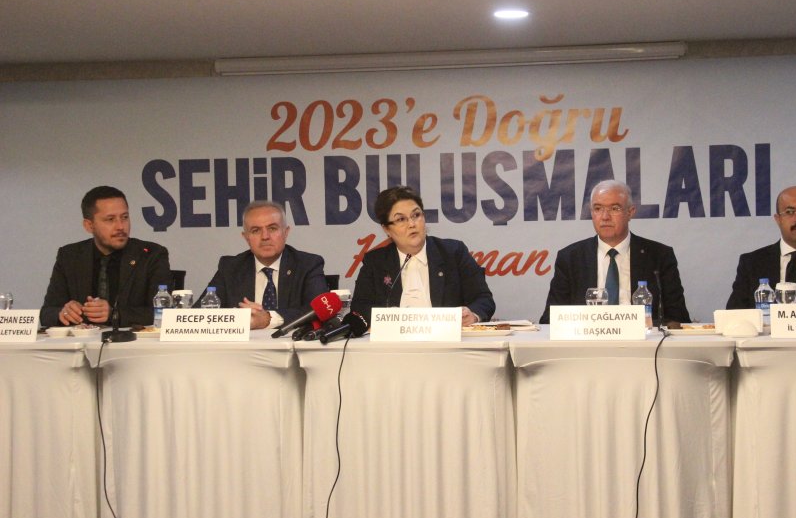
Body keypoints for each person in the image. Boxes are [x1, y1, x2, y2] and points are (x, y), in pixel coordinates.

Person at [540, 180, 691, 325]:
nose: (605, 217)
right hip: (587, 340)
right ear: (591, 213)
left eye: (614, 208)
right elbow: (550, 319)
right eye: (598, 209)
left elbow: (678, 318)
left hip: (643, 340)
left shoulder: (660, 256)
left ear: (630, 212)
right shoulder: (570, 258)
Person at [350, 186, 495, 327]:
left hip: (446, 340)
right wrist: (388, 318)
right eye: (401, 219)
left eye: (416, 215)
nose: (412, 224)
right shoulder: (376, 262)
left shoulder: (453, 252)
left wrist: (473, 314)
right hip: (394, 341)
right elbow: (359, 307)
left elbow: (483, 299)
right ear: (386, 229)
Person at [40, 186, 172, 327]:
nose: (120, 226)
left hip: (132, 340)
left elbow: (164, 312)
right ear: (89, 225)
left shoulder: (151, 255)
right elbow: (47, 313)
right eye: (110, 219)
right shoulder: (69, 256)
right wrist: (63, 313)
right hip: (83, 340)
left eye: (124, 217)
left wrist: (114, 314)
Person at [197, 200, 329, 329]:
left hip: (290, 342)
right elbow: (200, 313)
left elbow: (318, 310)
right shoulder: (230, 267)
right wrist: (236, 318)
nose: (265, 236)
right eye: (256, 230)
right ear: (246, 237)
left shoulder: (308, 265)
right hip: (243, 343)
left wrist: (268, 318)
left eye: (272, 228)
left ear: (286, 232)